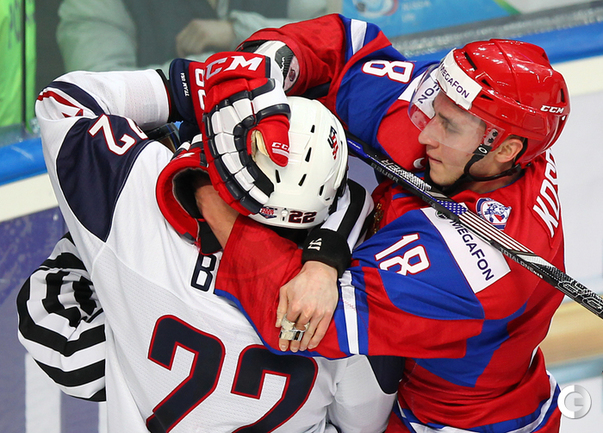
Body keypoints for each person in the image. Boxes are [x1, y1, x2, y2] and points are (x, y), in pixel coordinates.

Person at [187, 14, 570, 432]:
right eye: (436, 112)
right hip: (431, 382)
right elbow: (345, 51)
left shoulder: (471, 265)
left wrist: (206, 189)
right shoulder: (478, 126)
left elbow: (297, 320)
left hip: (447, 423)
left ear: (506, 150)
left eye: (448, 126)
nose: (425, 135)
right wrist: (268, 63)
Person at [30, 59, 400, 431]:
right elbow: (361, 424)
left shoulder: (137, 201)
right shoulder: (355, 301)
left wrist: (192, 88)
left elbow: (61, 101)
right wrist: (328, 255)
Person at [56, 0, 327, 74]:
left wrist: (238, 31)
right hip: (161, 168)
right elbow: (97, 92)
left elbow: (332, 40)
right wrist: (224, 66)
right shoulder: (96, 5)